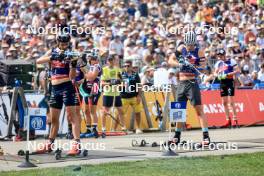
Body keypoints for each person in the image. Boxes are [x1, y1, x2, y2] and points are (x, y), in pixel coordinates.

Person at [36, 33, 81, 155]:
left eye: (66, 44)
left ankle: (76, 144)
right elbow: (38, 61)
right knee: (54, 118)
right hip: (54, 87)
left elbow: (72, 77)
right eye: (62, 44)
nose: (63, 46)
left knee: (72, 117)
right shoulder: (52, 51)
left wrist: (72, 64)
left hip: (67, 86)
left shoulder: (72, 53)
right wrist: (54, 57)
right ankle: (50, 144)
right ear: (58, 42)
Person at [168, 31, 210, 145]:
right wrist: (180, 64)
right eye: (189, 45)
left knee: (199, 110)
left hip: (192, 83)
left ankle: (206, 137)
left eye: (192, 45)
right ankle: (177, 137)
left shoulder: (199, 51)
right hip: (181, 83)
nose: (190, 47)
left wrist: (194, 62)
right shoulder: (181, 48)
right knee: (178, 110)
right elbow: (170, 60)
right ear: (185, 42)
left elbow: (203, 65)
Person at [100, 54, 126, 137]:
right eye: (109, 60)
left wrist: (120, 83)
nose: (111, 62)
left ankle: (123, 127)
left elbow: (122, 81)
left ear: (114, 61)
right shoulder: (104, 70)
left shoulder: (118, 70)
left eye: (112, 60)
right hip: (107, 93)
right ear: (107, 61)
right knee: (105, 111)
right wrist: (110, 83)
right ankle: (103, 128)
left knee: (121, 110)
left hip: (116, 93)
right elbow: (102, 83)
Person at [214, 48, 240, 128]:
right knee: (224, 102)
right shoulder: (218, 63)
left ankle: (235, 120)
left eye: (221, 55)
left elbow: (237, 70)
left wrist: (228, 74)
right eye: (218, 56)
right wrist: (217, 75)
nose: (220, 57)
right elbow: (215, 72)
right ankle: (228, 120)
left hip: (229, 82)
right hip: (222, 82)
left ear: (224, 55)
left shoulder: (231, 61)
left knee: (231, 101)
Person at [79, 49, 102, 138]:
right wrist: (78, 82)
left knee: (92, 110)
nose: (91, 59)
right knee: (86, 111)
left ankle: (94, 129)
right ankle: (88, 129)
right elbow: (86, 78)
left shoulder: (97, 66)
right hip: (87, 90)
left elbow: (92, 78)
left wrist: (84, 70)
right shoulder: (88, 67)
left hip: (94, 89)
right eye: (90, 58)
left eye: (93, 58)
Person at [120, 60, 143, 134]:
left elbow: (139, 86)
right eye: (125, 66)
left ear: (131, 66)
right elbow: (117, 84)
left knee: (137, 113)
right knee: (121, 113)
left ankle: (138, 128)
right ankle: (120, 128)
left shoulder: (135, 75)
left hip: (134, 96)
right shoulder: (121, 74)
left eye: (128, 66)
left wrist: (139, 96)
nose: (126, 67)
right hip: (124, 97)